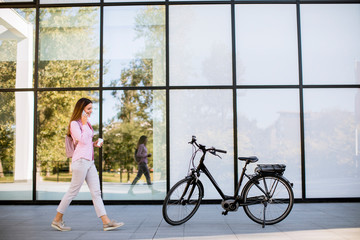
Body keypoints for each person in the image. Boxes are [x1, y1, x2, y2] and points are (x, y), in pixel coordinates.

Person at [51, 98, 124, 231]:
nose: (91, 111)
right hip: (80, 161)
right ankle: (57, 219)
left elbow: (85, 143)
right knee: (73, 192)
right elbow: (81, 140)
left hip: (89, 162)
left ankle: (106, 222)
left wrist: (94, 144)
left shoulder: (86, 123)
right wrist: (84, 125)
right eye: (88, 109)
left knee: (96, 192)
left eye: (91, 108)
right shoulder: (75, 123)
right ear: (81, 109)